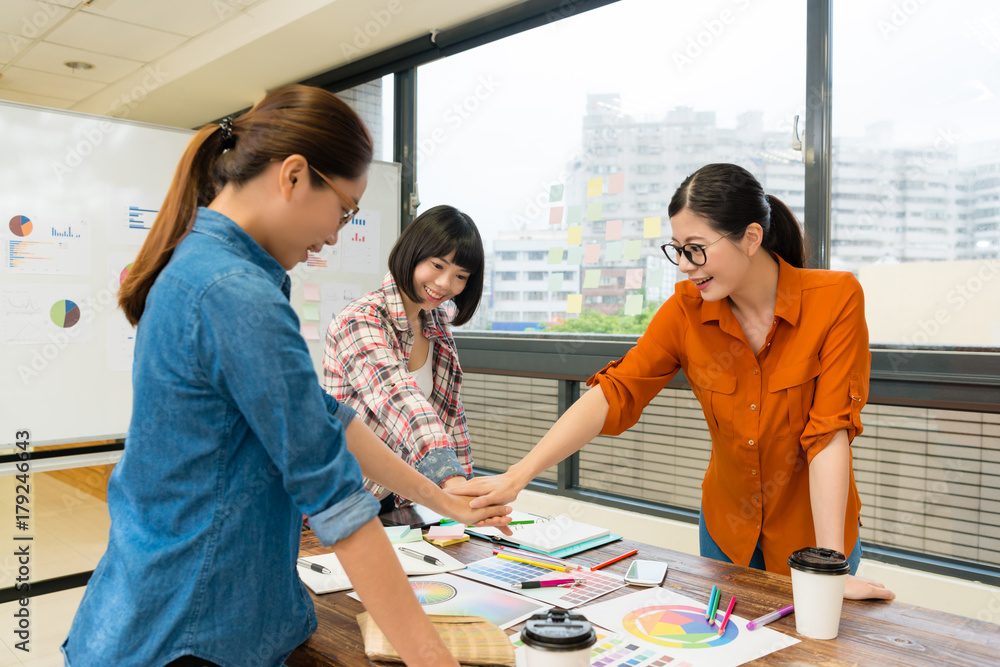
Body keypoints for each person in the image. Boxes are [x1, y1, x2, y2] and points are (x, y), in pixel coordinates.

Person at [63, 85, 508, 667]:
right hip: (191, 624)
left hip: (198, 601)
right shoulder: (233, 293)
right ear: (294, 177)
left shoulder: (215, 270)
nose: (337, 232)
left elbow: (326, 418)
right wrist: (432, 656)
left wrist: (440, 498)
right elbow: (335, 496)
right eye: (345, 210)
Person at [451, 163, 895, 601]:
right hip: (727, 530)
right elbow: (616, 389)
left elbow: (829, 434)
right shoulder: (687, 309)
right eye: (677, 249)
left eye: (696, 249)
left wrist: (830, 563)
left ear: (751, 238)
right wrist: (517, 475)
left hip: (816, 534)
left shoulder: (834, 300)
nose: (684, 265)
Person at [322, 205, 483, 512]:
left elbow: (451, 416)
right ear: (412, 253)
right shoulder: (359, 320)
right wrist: (451, 480)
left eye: (460, 275)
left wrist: (468, 494)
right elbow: (400, 399)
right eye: (437, 265)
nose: (446, 284)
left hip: (394, 500)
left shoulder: (437, 325)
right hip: (334, 501)